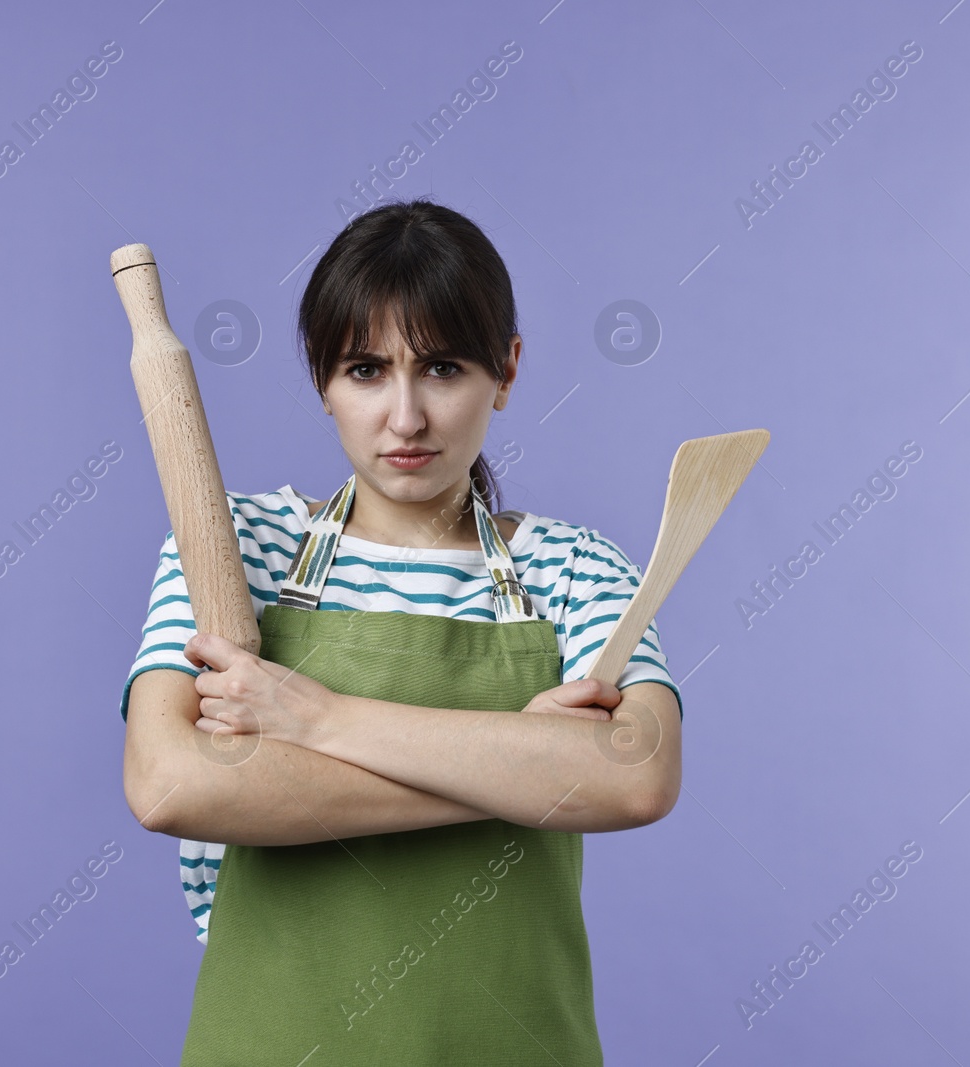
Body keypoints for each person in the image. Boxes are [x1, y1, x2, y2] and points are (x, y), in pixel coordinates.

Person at [119, 198, 683, 1065]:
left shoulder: (572, 567)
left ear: (507, 369)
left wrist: (318, 720)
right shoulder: (236, 548)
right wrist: (518, 768)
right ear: (323, 383)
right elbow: (170, 784)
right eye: (366, 370)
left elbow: (638, 775)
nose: (407, 417)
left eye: (445, 367)